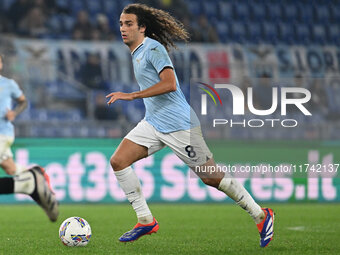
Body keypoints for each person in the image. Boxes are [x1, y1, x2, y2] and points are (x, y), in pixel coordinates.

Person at [106, 4, 274, 247]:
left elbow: (170, 84)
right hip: (153, 122)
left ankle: (260, 214)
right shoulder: (137, 52)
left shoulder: (153, 48)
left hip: (179, 125)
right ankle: (145, 220)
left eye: (129, 23)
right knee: (118, 161)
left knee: (211, 177)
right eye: (121, 23)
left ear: (142, 27)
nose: (123, 28)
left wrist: (132, 95)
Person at [0, 54, 27, 175]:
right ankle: (35, 174)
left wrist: (14, 112)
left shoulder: (8, 84)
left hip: (3, 133)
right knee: (11, 169)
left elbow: (23, 102)